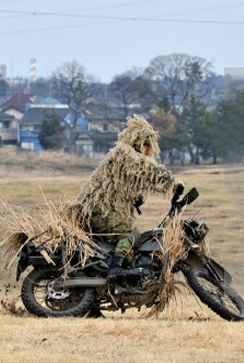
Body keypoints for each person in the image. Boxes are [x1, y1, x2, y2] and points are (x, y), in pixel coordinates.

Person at [70, 115, 178, 279]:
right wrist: (173, 183)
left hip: (102, 211)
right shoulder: (125, 154)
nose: (149, 151)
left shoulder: (125, 158)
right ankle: (116, 268)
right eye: (147, 146)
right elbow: (148, 171)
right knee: (129, 236)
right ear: (139, 143)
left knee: (132, 237)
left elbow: (131, 183)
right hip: (99, 212)